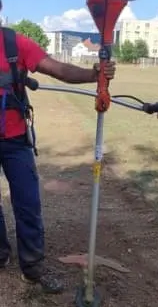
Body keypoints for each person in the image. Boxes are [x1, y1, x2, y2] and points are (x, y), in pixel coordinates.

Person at [0, 25, 115, 293]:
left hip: (16, 141)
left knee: (27, 203)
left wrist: (93, 74)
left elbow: (58, 69)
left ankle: (32, 267)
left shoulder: (15, 44)